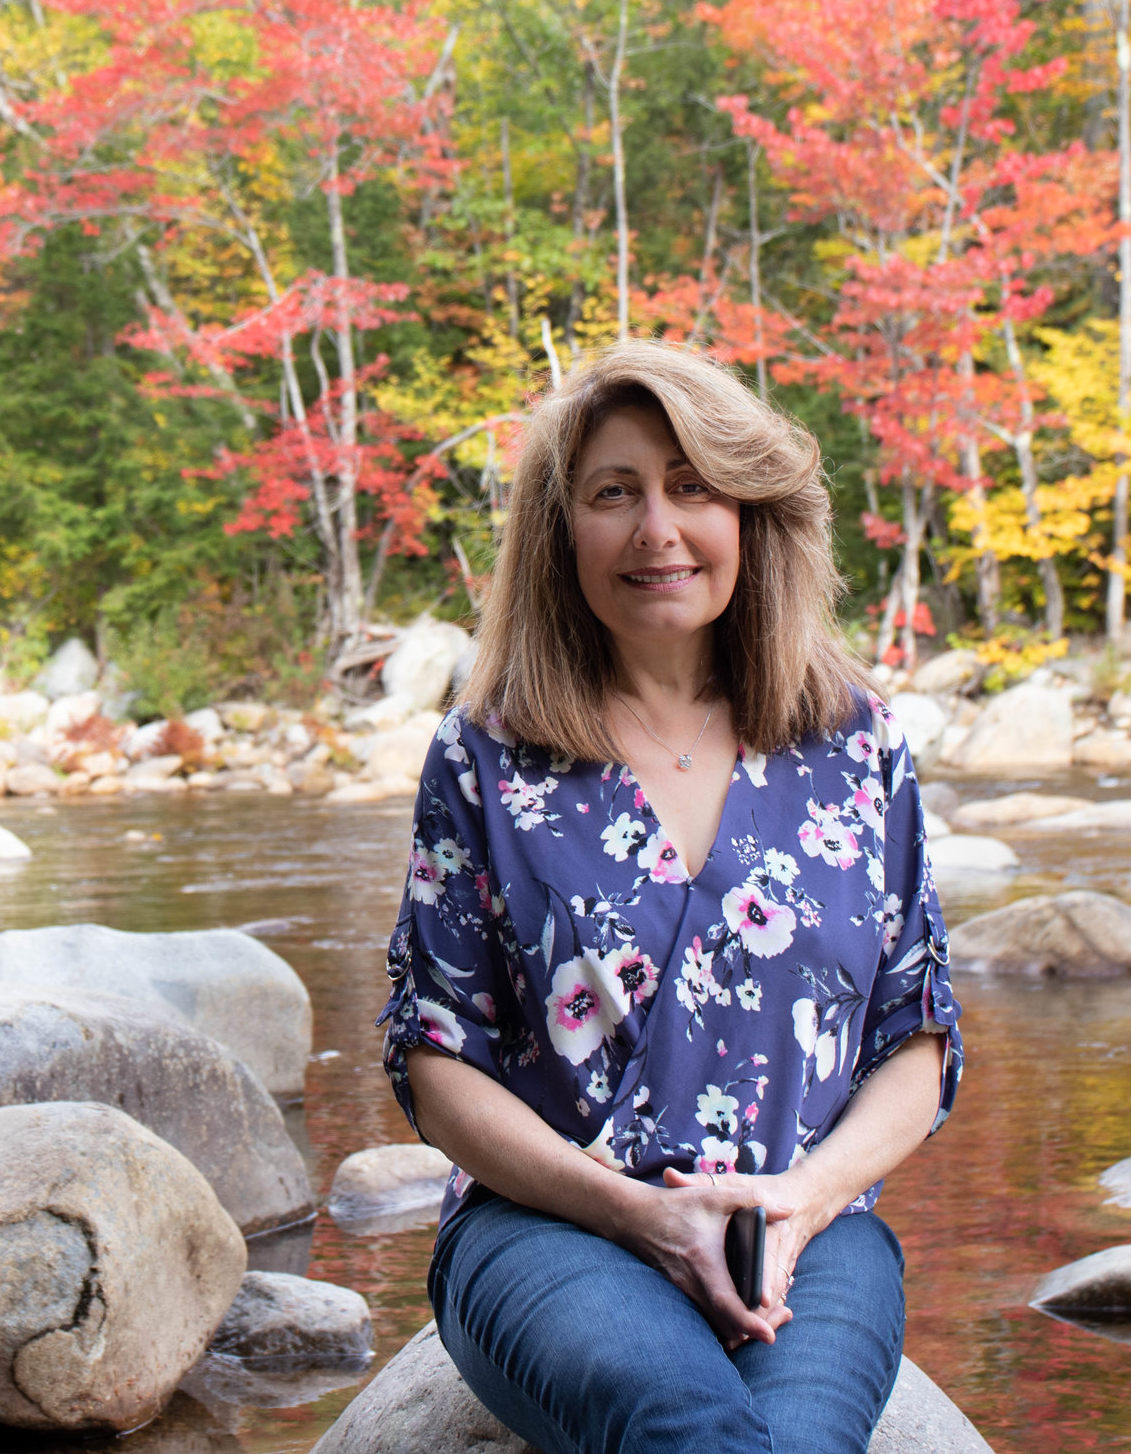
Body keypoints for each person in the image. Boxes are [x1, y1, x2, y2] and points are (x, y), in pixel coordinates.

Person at [377, 341, 962, 1454]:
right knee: (683, 1425)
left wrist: (804, 1197)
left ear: (749, 514)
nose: (657, 527)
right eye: (615, 492)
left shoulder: (855, 740)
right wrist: (642, 1217)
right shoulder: (485, 754)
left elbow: (916, 1032)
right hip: (556, 1227)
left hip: (805, 1225)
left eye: (692, 486)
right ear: (561, 534)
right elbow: (436, 1057)